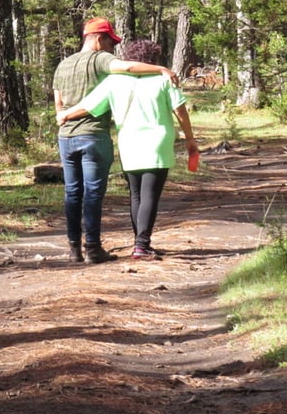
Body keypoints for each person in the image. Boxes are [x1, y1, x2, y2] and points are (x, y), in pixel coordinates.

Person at [57, 39, 198, 261]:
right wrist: (190, 139)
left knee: (135, 194)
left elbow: (88, 106)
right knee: (149, 193)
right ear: (154, 60)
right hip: (157, 141)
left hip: (128, 142)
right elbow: (180, 111)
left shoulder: (114, 81)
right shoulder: (163, 79)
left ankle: (140, 244)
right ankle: (141, 245)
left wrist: (65, 114)